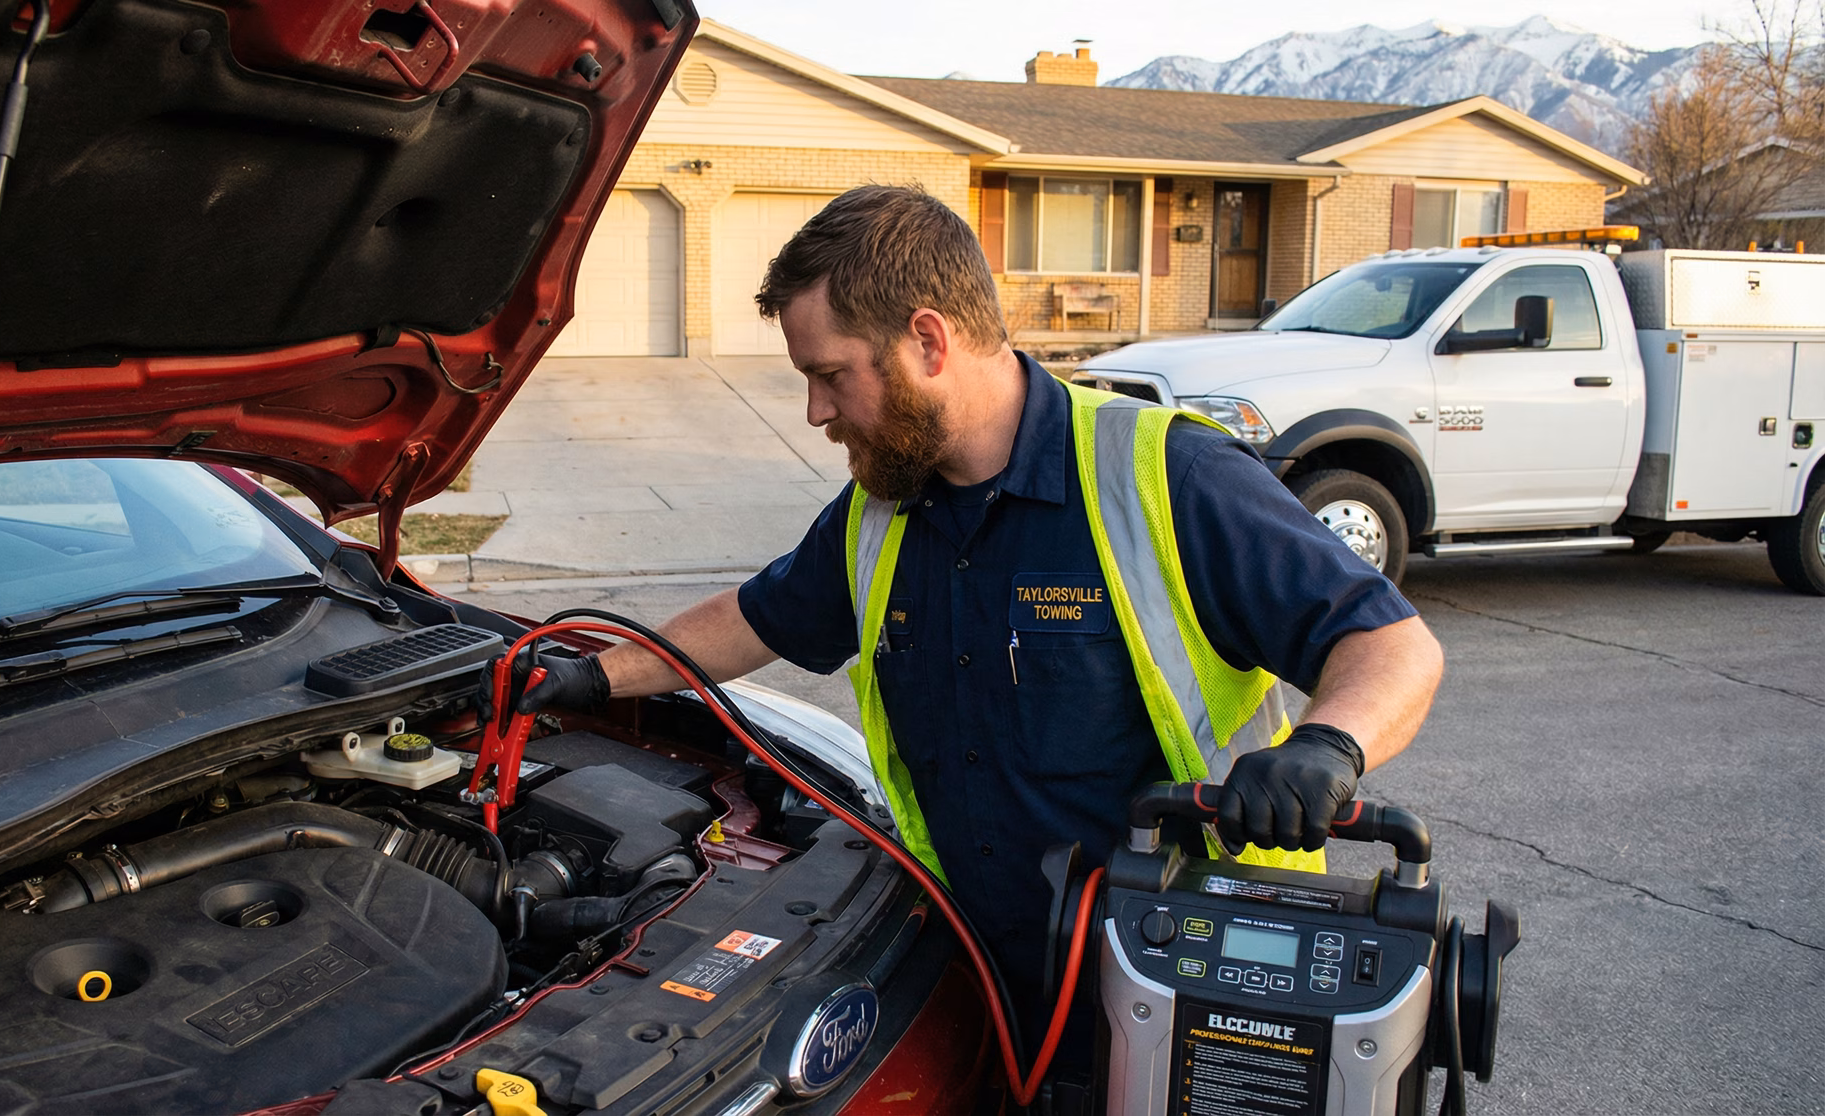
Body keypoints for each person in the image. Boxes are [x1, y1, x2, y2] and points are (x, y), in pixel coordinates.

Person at [517, 184, 1443, 1074]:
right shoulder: (879, 512)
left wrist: (1327, 748)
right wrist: (590, 679)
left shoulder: (1167, 476)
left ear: (927, 339)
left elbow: (1393, 645)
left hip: (1177, 986)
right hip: (967, 975)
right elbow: (749, 621)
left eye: (831, 375)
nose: (815, 412)